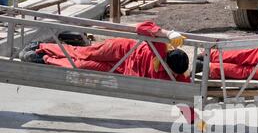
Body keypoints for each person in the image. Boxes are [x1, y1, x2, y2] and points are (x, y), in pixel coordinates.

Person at [20, 21, 189, 83]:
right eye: (170, 69)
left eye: (174, 73)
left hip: (122, 70)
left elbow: (186, 99)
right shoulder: (160, 50)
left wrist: (197, 123)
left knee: (81, 65)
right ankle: (41, 47)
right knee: (84, 53)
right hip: (123, 50)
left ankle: (44, 59)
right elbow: (142, 27)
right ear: (167, 59)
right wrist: (168, 33)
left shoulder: (179, 77)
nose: (171, 73)